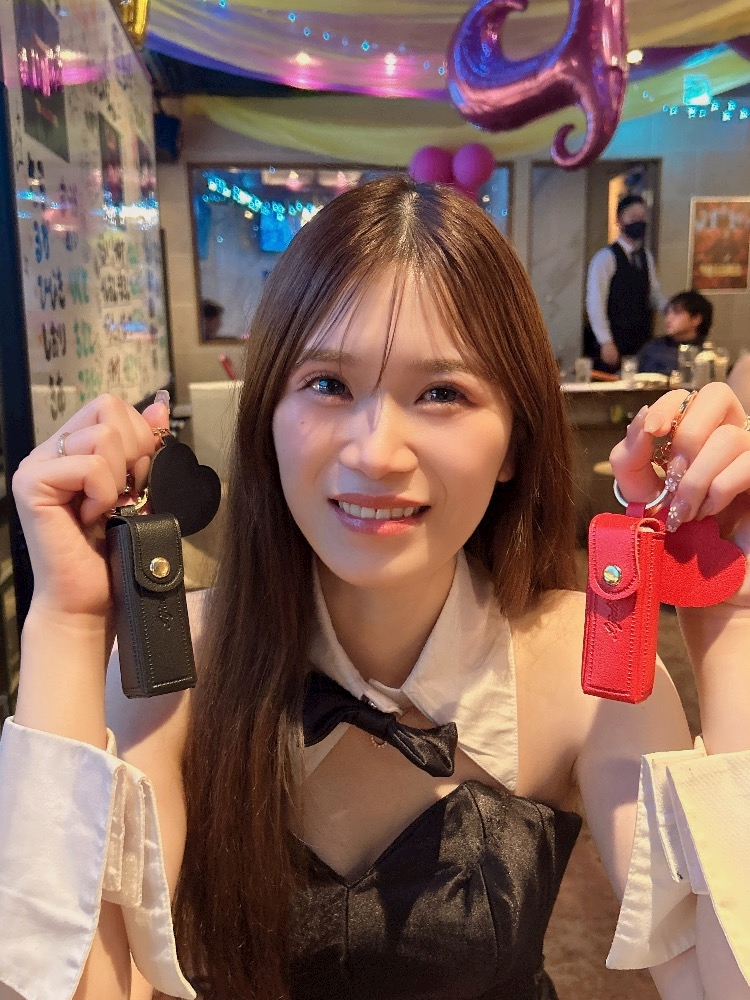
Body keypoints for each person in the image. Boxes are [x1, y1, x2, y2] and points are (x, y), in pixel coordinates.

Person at [2, 176, 750, 1000]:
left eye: (442, 392)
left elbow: (714, 982)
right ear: (267, 418)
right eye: (328, 384)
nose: (376, 453)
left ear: (514, 441)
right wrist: (68, 624)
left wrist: (736, 621)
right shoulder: (182, 661)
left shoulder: (588, 667)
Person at [584, 193, 669, 373]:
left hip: (641, 340)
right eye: (633, 216)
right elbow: (595, 303)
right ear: (620, 220)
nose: (639, 221)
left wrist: (672, 311)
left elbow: (654, 293)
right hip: (614, 340)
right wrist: (605, 341)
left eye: (642, 217)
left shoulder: (646, 256)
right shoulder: (605, 258)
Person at [637, 289, 714, 376]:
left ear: (696, 319)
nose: (668, 319)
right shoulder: (653, 346)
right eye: (667, 313)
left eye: (676, 312)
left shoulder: (705, 356)